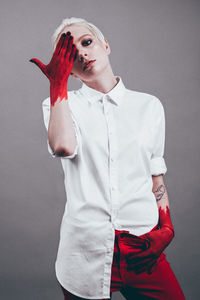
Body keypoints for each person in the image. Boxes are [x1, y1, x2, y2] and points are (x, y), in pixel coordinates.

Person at [30, 17, 186, 300]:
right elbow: (64, 146)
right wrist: (57, 84)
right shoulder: (59, 104)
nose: (82, 53)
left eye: (87, 42)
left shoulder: (149, 106)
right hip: (84, 254)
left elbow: (155, 173)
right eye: (69, 54)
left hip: (143, 248)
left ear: (105, 45)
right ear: (70, 71)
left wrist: (167, 226)